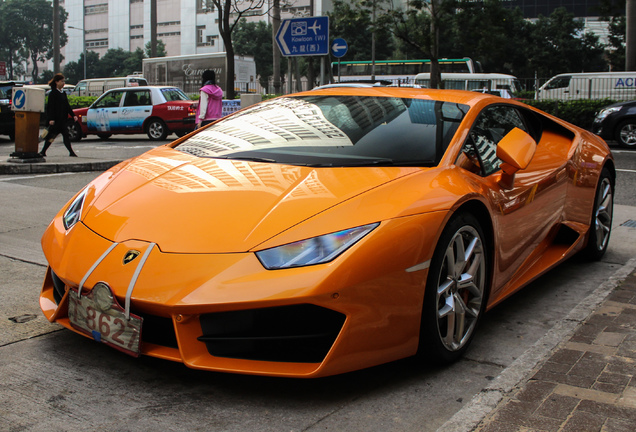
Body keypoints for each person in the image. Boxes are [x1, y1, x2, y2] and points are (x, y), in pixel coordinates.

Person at [40, 73, 79, 157]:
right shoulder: (53, 93)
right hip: (56, 120)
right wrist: (51, 119)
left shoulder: (63, 93)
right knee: (51, 136)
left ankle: (71, 152)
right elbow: (50, 107)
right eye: (61, 81)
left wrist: (73, 115)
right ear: (57, 82)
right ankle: (43, 151)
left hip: (62, 120)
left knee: (66, 136)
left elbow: (67, 106)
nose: (63, 83)